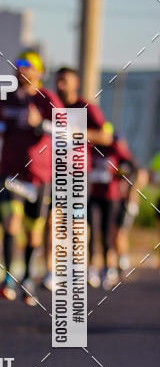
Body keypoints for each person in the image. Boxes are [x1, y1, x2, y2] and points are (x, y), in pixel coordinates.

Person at [0, 50, 61, 306]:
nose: (21, 71)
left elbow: (66, 132)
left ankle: (29, 277)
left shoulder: (48, 99)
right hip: (11, 172)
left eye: (27, 66)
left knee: (33, 234)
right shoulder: (6, 96)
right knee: (12, 222)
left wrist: (40, 123)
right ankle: (9, 277)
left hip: (40, 176)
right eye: (18, 66)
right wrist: (9, 124)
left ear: (39, 72)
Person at [40, 67, 113, 290]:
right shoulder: (49, 105)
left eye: (65, 81)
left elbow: (106, 136)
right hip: (53, 171)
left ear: (76, 83)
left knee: (77, 223)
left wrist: (76, 133)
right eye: (58, 80)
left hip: (79, 173)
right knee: (52, 220)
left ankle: (79, 268)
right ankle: (50, 271)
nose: (60, 85)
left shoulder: (86, 108)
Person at [88, 133, 139, 290]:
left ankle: (106, 268)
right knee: (92, 230)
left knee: (107, 234)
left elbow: (133, 167)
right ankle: (91, 269)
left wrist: (124, 179)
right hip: (94, 196)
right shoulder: (91, 148)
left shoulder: (115, 148)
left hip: (112, 198)